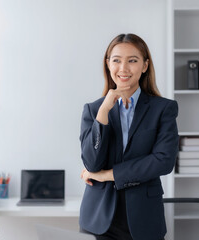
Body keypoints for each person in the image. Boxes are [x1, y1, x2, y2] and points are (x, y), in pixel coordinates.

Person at [78, 33, 179, 240]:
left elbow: (163, 161)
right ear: (108, 64)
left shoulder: (163, 109)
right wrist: (104, 112)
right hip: (99, 219)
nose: (123, 68)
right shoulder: (93, 110)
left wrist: (109, 175)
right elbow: (91, 163)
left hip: (144, 218)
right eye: (116, 60)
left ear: (144, 66)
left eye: (132, 61)